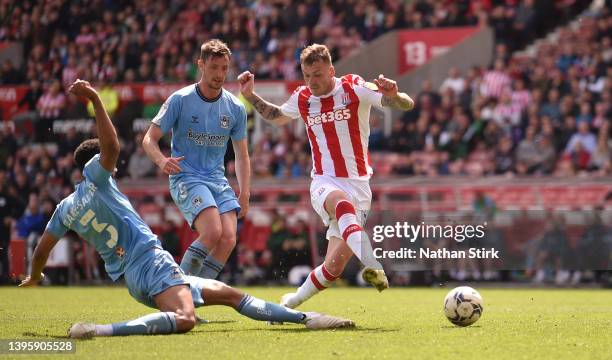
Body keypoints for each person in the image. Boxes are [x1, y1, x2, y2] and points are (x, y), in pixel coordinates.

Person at [19, 80, 354, 339]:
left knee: (233, 296)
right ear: (95, 165)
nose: (115, 167)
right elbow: (112, 145)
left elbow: (41, 251)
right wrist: (94, 99)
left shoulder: (64, 209)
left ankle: (308, 319)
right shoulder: (99, 178)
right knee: (185, 319)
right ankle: (101, 330)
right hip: (151, 263)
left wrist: (35, 276)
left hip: (134, 277)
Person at [238, 43, 415, 309]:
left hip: (359, 185)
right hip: (325, 181)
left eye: (318, 74)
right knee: (342, 203)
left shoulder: (353, 87)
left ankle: (290, 302)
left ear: (331, 70)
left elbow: (404, 104)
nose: (312, 81)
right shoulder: (303, 98)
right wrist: (250, 96)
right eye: (307, 75)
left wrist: (395, 93)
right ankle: (371, 262)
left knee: (333, 267)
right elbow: (275, 117)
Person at [143, 39, 250, 281]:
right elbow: (149, 139)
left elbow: (242, 155)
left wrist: (245, 193)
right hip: (186, 176)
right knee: (212, 231)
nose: (220, 74)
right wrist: (161, 161)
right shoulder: (180, 99)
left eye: (224, 68)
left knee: (229, 238)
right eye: (214, 67)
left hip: (216, 179)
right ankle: (176, 291)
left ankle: (194, 295)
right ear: (201, 65)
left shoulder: (235, 107)